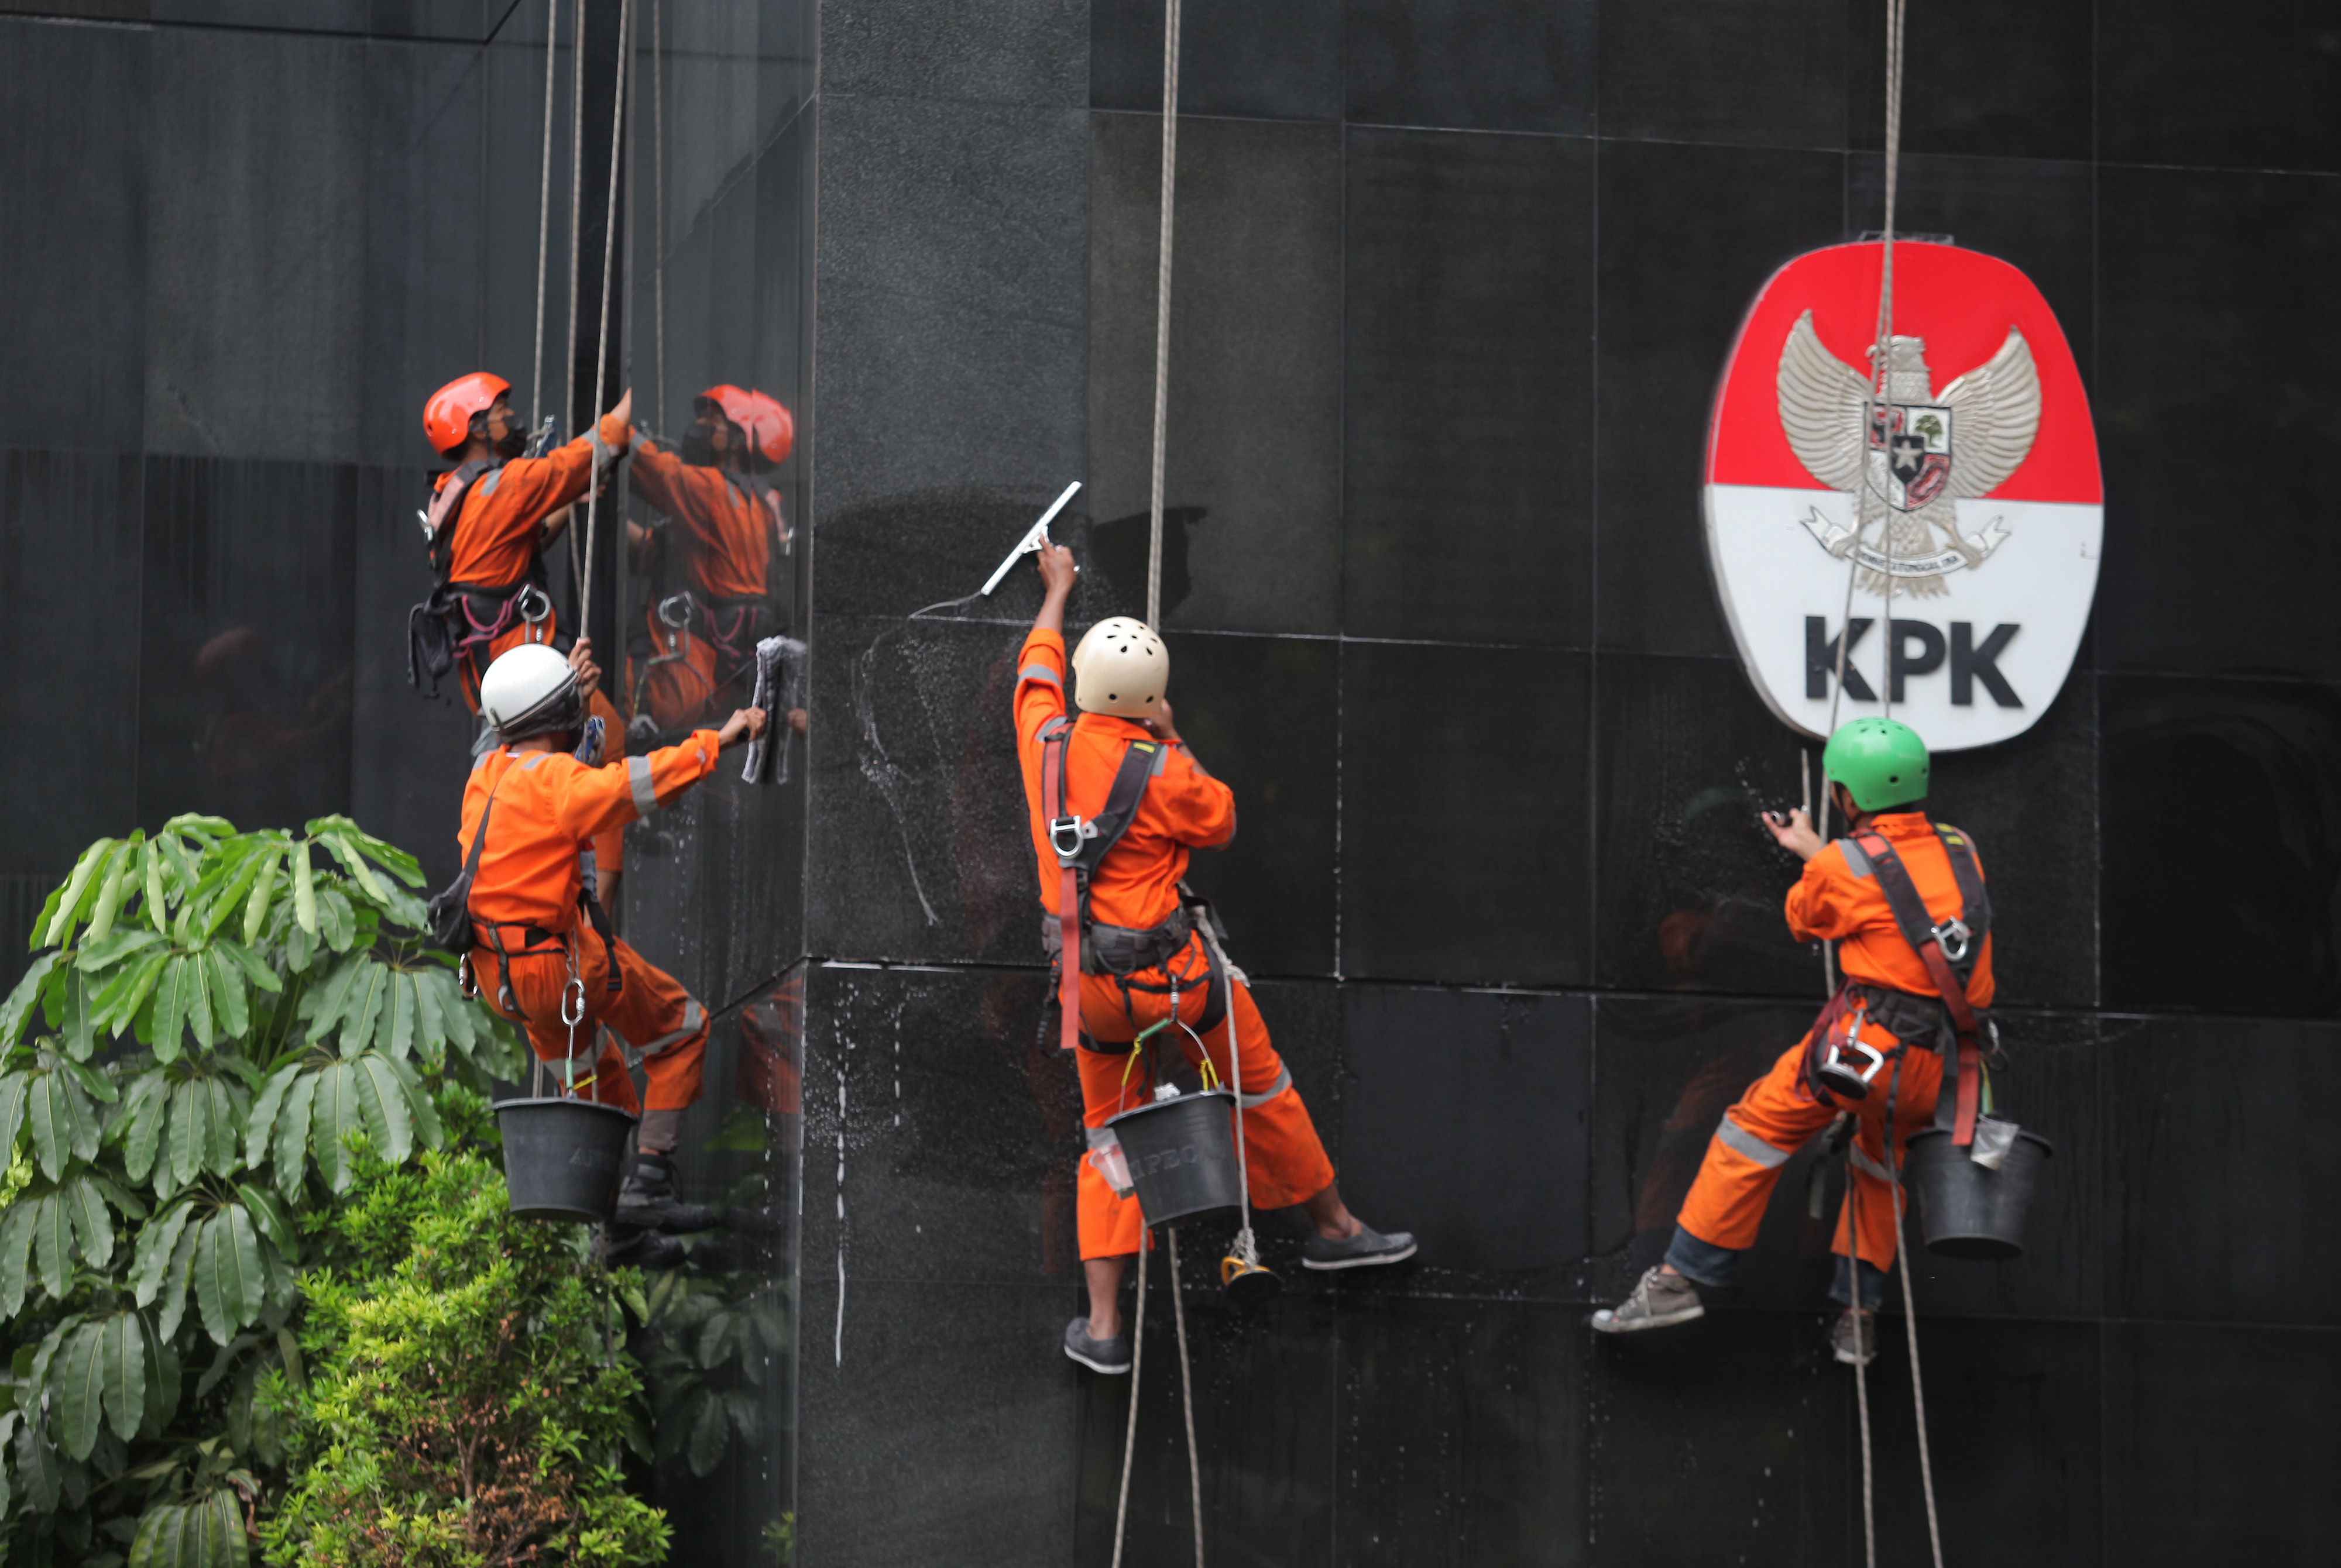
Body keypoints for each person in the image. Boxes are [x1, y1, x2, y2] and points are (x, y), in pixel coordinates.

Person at [1015, 542, 1415, 1376]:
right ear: (1149, 700)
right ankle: (1335, 1231)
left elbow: (1034, 666)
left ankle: (1104, 1327)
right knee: (1262, 1086)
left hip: (1091, 993)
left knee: (1107, 1144)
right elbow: (1223, 821)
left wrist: (1056, 589)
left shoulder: (1043, 743)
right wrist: (1174, 734)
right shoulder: (1164, 771)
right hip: (1181, 987)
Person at [1591, 718, 1994, 1365]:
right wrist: (1824, 851)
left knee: (1752, 1129)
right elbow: (1900, 894)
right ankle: (1857, 1315)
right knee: (1879, 1164)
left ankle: (1678, 1279)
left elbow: (1806, 920)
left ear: (1845, 796)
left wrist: (1816, 854)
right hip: (1942, 1061)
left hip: (1865, 1049)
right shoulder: (1961, 846)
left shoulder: (1839, 865)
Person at [458, 637, 768, 1268]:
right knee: (681, 1028)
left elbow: (535, 736)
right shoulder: (559, 785)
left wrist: (563, 684)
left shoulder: (485, 778)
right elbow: (635, 784)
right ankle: (651, 1182)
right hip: (563, 967)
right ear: (558, 719)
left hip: (503, 982)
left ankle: (618, 1229)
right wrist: (724, 738)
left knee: (607, 1091)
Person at [417, 374, 637, 908]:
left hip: (495, 675)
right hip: (524, 666)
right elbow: (592, 449)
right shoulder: (503, 485)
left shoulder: (455, 497)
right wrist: (634, 403)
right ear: (475, 428)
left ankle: (554, 893)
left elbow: (527, 539)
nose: (512, 421)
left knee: (539, 776)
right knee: (606, 741)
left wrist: (567, 498)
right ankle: (599, 907)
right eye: (501, 412)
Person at [624, 386, 794, 736]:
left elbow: (652, 469)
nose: (698, 425)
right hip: (735, 667)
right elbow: (654, 554)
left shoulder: (711, 490)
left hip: (697, 663)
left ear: (736, 439)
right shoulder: (760, 500)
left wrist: (615, 425)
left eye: (711, 420)